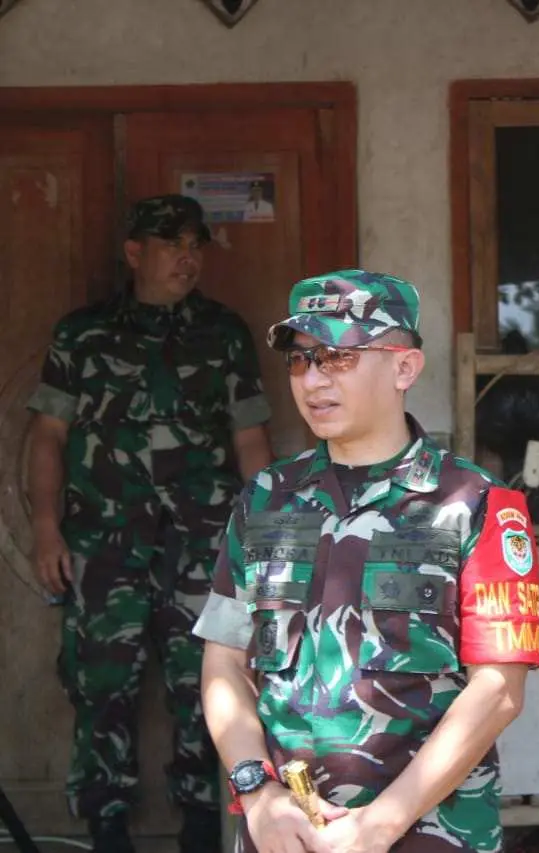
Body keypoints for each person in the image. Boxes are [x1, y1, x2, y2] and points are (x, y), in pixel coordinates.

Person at [194, 270, 539, 853]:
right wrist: (258, 793)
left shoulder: (476, 504)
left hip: (427, 834)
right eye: (300, 360)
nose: (312, 379)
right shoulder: (266, 497)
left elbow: (499, 689)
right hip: (285, 833)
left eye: (338, 357)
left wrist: (379, 826)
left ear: (404, 367)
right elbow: (224, 664)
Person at [24, 194, 275, 853]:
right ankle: (105, 829)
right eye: (171, 243)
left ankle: (202, 825)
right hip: (105, 549)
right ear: (135, 252)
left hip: (204, 548)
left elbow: (251, 439)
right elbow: (47, 435)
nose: (187, 256)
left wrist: (263, 541)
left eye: (195, 243)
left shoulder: (224, 334)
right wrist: (47, 528)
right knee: (99, 685)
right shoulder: (82, 334)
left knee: (207, 689)